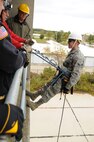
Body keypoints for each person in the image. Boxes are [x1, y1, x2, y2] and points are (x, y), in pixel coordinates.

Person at [27, 32, 85, 111]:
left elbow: (76, 75)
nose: (68, 42)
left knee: (50, 92)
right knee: (47, 86)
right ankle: (34, 95)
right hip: (60, 76)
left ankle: (35, 105)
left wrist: (67, 87)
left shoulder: (79, 56)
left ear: (77, 42)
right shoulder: (72, 52)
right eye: (69, 40)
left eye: (70, 40)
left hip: (64, 80)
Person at [0, 0, 29, 140]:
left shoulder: (25, 26)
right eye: (3, 3)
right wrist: (4, 116)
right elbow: (9, 44)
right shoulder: (8, 22)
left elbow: (11, 37)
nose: (5, 8)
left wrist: (24, 42)